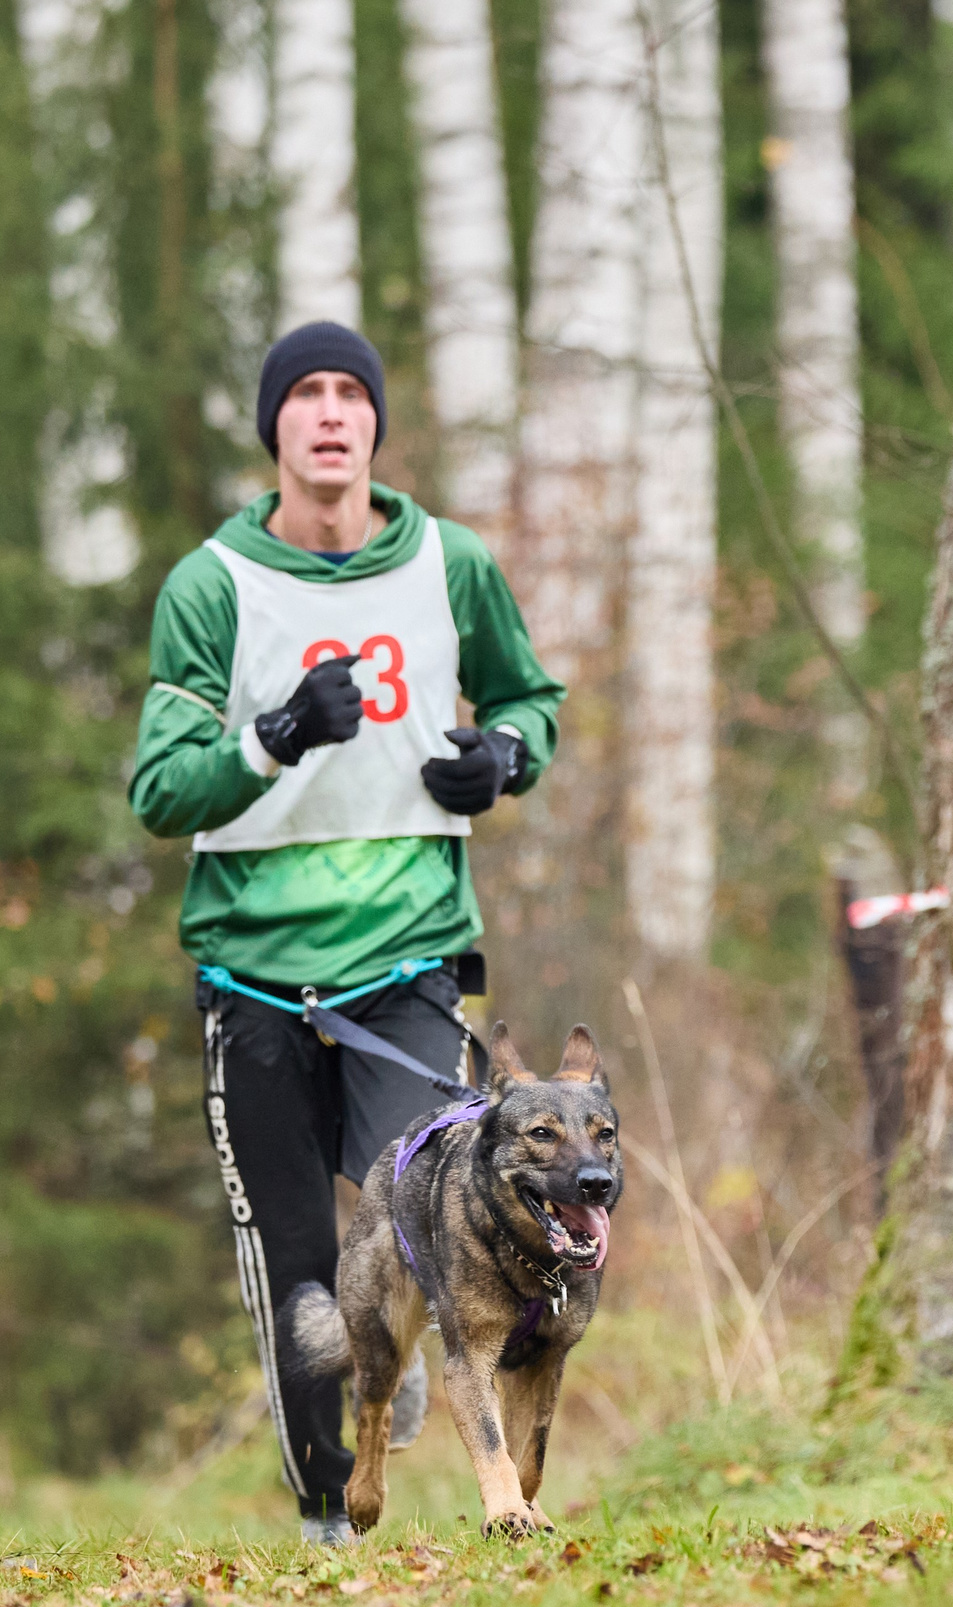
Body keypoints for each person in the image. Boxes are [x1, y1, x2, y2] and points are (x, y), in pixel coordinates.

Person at [129, 321, 564, 1544]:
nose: (329, 413)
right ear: (274, 428)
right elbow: (159, 791)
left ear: (375, 423)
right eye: (304, 395)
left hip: (409, 961)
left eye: (349, 394)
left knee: (425, 1216)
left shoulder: (451, 564)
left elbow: (530, 695)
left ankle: (403, 1339)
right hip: (255, 980)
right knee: (302, 1264)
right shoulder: (212, 585)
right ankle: (329, 1507)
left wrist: (506, 753)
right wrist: (269, 736)